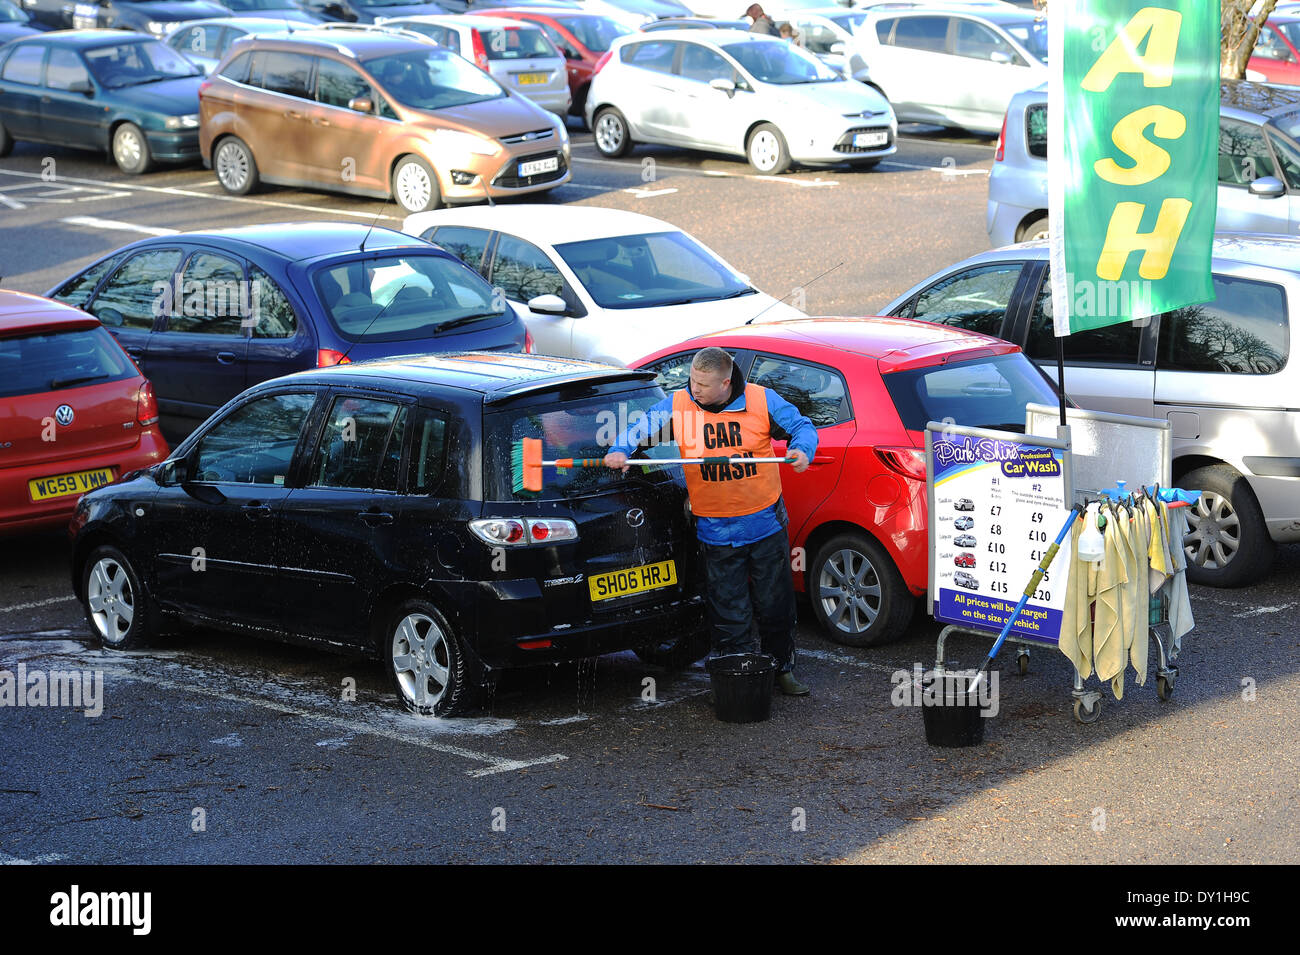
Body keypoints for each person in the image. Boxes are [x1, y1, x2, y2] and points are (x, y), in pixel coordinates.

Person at [604, 347, 818, 697]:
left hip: (764, 523)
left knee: (774, 603)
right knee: (729, 607)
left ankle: (782, 668)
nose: (695, 389)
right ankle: (738, 676)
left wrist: (802, 450)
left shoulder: (762, 401)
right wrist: (620, 448)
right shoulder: (679, 405)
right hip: (715, 528)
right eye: (692, 380)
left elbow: (802, 427)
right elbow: (641, 427)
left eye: (703, 384)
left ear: (726, 382)